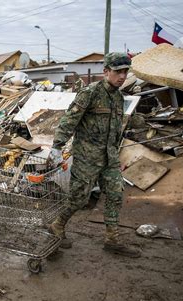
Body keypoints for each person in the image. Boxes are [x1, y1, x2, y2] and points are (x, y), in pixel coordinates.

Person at [46, 52, 141, 258]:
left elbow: (116, 126)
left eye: (125, 72)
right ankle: (57, 225)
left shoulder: (118, 97)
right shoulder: (89, 93)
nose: (123, 76)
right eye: (118, 72)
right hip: (87, 157)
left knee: (115, 194)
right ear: (106, 71)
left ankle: (112, 239)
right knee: (79, 199)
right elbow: (69, 120)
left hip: (109, 157)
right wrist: (57, 146)